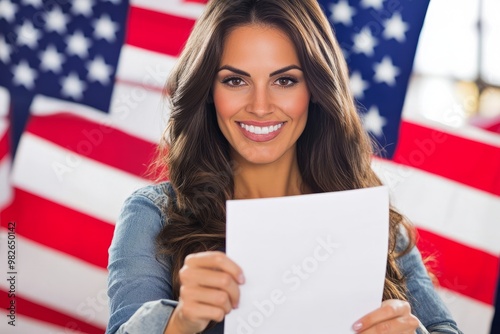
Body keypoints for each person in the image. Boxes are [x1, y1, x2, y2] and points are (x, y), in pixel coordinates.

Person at [106, 0, 463, 333]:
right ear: (208, 91)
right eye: (235, 80)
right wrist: (180, 322)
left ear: (316, 90)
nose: (260, 106)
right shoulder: (153, 214)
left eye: (285, 80)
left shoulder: (372, 218)